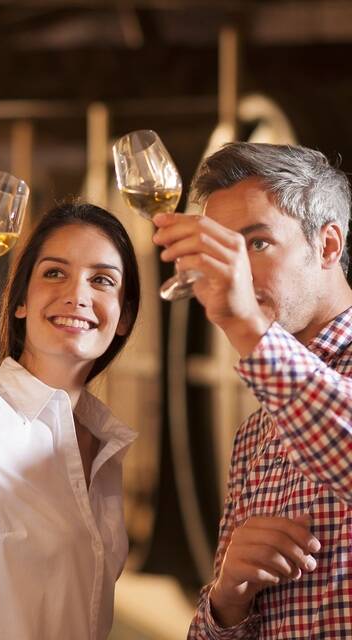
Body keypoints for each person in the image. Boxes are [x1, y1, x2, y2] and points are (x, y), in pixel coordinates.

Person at [153, 142, 352, 638]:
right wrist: (228, 599)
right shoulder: (255, 434)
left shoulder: (278, 377)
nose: (233, 271)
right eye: (221, 249)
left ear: (328, 246)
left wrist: (245, 322)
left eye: (257, 243)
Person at [0, 201, 140, 640]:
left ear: (124, 316)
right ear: (20, 302)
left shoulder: (104, 447)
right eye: (55, 273)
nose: (77, 295)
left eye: (102, 280)